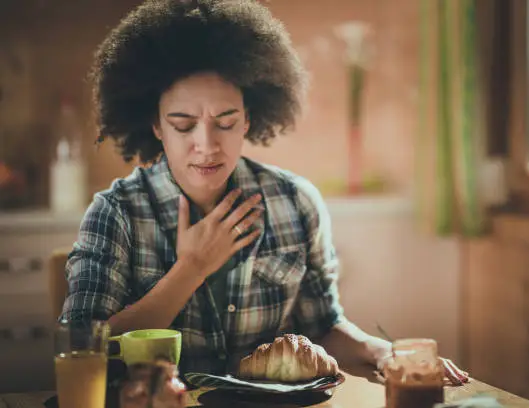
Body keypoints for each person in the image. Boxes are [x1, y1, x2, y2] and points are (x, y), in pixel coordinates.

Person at [60, 0, 468, 384]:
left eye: (225, 121)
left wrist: (379, 350)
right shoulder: (116, 212)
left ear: (248, 120)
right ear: (155, 126)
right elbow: (83, 348)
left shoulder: (295, 201)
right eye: (183, 124)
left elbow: (322, 328)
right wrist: (192, 267)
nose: (206, 144)